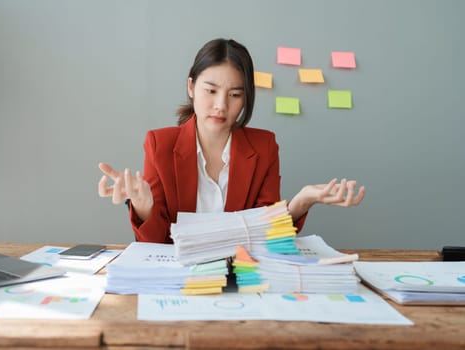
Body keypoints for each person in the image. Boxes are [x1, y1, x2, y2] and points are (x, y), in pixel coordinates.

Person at [98, 38, 365, 244]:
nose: (220, 105)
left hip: (241, 280)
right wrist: (144, 207)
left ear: (246, 97)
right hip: (179, 282)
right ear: (191, 87)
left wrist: (303, 201)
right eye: (210, 91)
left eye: (235, 94)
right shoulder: (160, 144)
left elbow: (266, 234)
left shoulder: (264, 147)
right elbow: (156, 244)